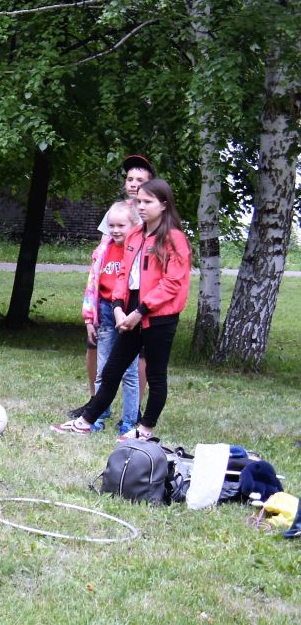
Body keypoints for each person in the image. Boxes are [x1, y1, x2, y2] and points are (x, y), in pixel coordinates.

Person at [52, 177, 189, 442]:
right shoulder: (135, 235)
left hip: (158, 316)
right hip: (130, 309)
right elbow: (124, 273)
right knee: (112, 369)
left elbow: (172, 283)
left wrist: (140, 312)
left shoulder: (175, 239)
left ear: (163, 205)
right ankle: (86, 421)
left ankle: (144, 429)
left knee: (156, 374)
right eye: (139, 201)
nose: (142, 206)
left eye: (148, 202)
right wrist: (117, 308)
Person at [80, 153, 153, 433]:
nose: (133, 184)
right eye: (130, 179)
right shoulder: (114, 217)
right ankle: (96, 409)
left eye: (140, 180)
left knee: (133, 368)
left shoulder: (148, 217)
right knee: (101, 360)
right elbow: (101, 260)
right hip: (106, 305)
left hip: (134, 306)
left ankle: (132, 417)